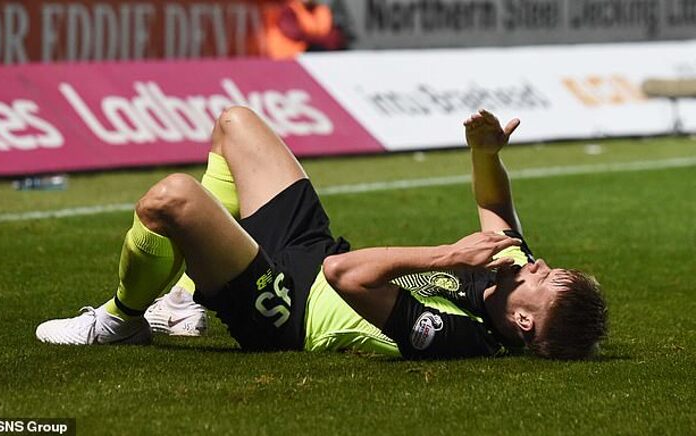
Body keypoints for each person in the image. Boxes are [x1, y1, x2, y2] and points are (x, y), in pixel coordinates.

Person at [36, 107, 607, 360]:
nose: (537, 265)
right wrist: (485, 155)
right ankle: (187, 299)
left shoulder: (458, 336)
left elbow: (345, 275)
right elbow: (494, 204)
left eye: (545, 279)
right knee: (235, 123)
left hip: (288, 310)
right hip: (310, 251)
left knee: (172, 198)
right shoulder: (511, 271)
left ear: (524, 321)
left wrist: (449, 255)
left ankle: (121, 320)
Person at [264, 0, 344, 60]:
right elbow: (294, 33)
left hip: (310, 54)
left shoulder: (322, 10)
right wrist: (321, 38)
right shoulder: (290, 9)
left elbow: (334, 36)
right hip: (285, 57)